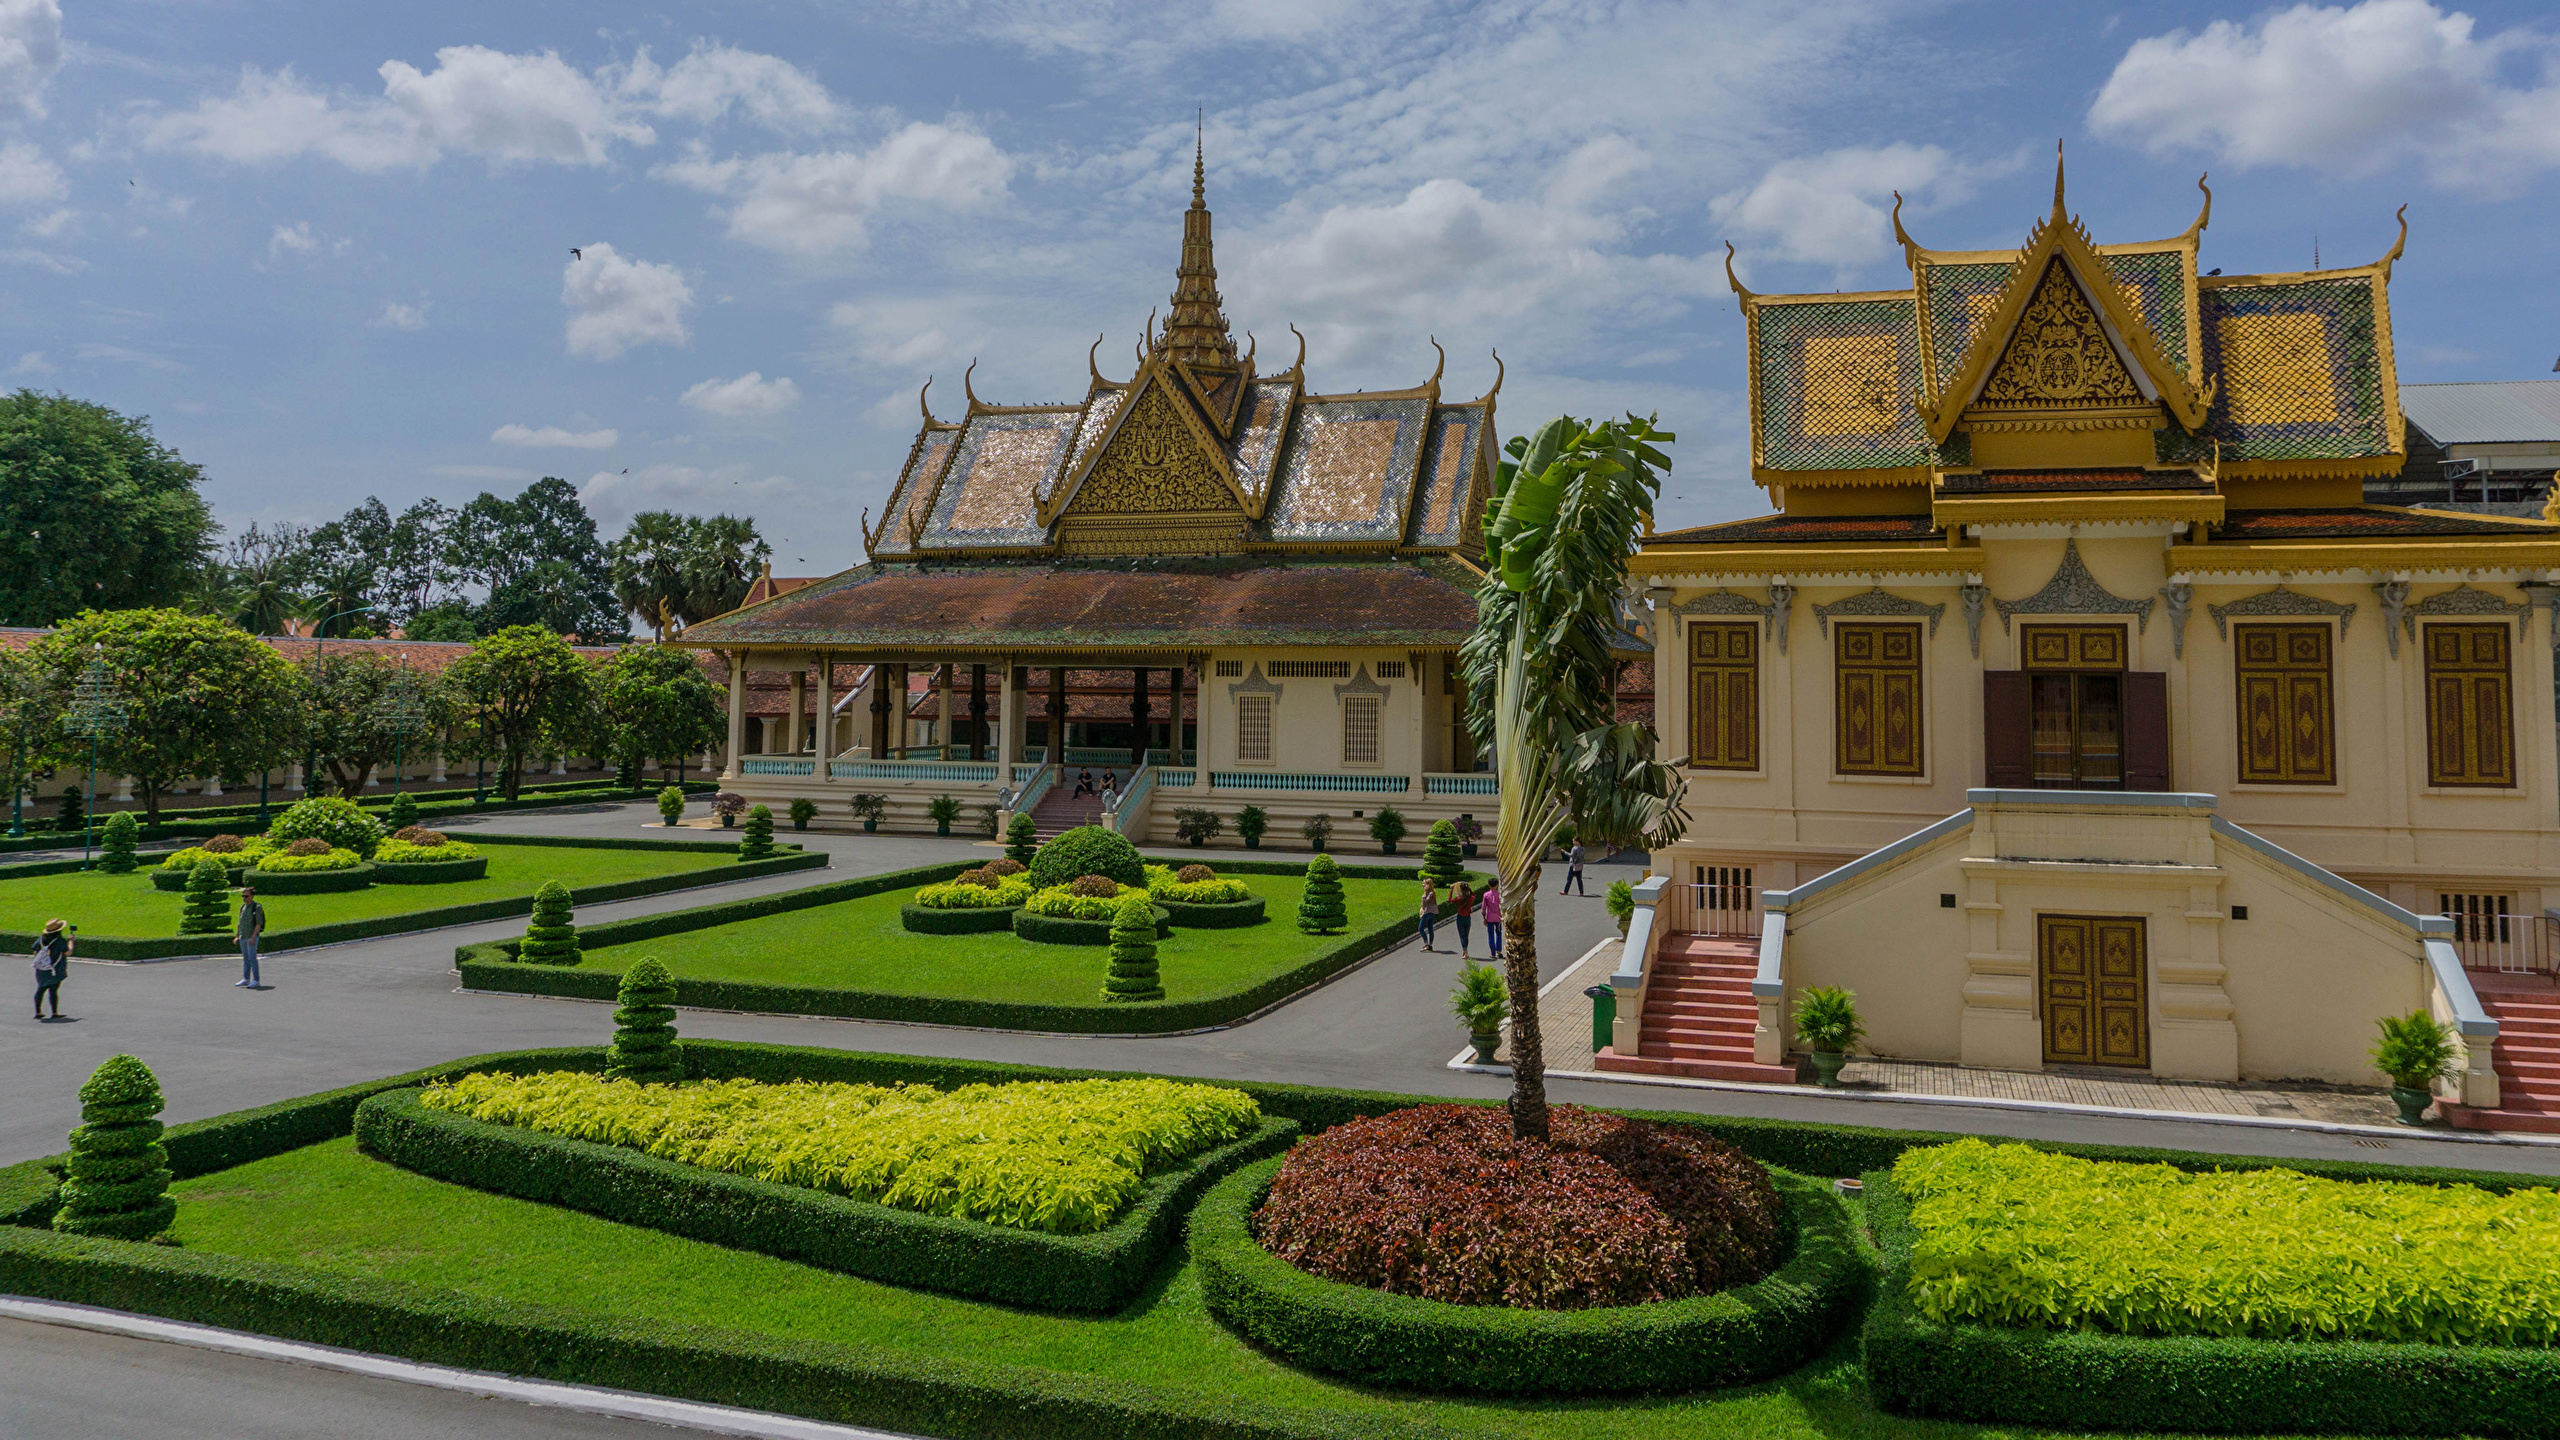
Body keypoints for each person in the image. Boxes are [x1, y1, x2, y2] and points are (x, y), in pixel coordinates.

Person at [32, 919, 68, 1020]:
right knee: (53, 991)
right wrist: (71, 941)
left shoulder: (41, 939)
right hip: (55, 969)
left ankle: (38, 1011)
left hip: (42, 969)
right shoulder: (60, 941)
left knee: (41, 989)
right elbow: (67, 952)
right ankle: (55, 1012)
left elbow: (35, 951)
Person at [235, 884, 267, 989]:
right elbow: (240, 922)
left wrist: (253, 937)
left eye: (246, 896)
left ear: (252, 896)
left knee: (252, 958)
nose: (244, 898)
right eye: (243, 896)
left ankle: (256, 980)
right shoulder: (242, 907)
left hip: (251, 936)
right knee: (246, 958)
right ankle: (246, 978)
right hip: (243, 936)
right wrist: (237, 936)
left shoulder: (256, 907)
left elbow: (258, 923)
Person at [1448, 880, 1473, 958]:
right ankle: (1465, 951)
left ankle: (1465, 950)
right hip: (1467, 918)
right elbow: (1473, 894)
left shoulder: (1459, 899)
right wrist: (1469, 889)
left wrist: (1451, 890)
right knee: (1466, 935)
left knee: (1462, 935)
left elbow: (1450, 900)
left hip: (1460, 918)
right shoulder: (1471, 898)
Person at [1482, 882, 1503, 959]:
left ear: (1489, 885)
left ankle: (1493, 953)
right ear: (1497, 885)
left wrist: (1484, 917)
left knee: (1490, 935)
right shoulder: (1499, 895)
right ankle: (1499, 950)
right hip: (1498, 917)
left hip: (1490, 918)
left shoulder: (1486, 895)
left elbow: (1483, 907)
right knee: (1498, 933)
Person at [1417, 882, 1440, 952]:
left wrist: (1423, 898)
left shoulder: (1429, 893)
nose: (1423, 885)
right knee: (1430, 929)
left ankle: (1426, 945)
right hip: (1432, 913)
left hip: (1427, 913)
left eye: (1424, 884)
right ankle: (1430, 945)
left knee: (1420, 928)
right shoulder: (1433, 892)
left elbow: (1425, 903)